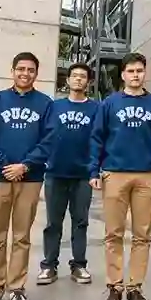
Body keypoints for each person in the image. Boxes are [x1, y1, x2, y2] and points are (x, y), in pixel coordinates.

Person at [89, 52, 151, 300]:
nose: (136, 75)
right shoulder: (110, 104)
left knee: (142, 235)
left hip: (148, 175)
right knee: (113, 233)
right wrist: (94, 170)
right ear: (123, 75)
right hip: (115, 173)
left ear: (144, 73)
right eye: (131, 71)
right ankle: (115, 287)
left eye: (139, 71)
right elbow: (96, 138)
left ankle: (135, 287)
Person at [0, 52, 53, 300]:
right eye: (21, 69)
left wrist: (25, 165)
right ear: (12, 71)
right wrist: (4, 165)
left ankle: (17, 289)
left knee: (21, 236)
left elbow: (50, 140)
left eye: (31, 70)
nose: (25, 73)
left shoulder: (45, 104)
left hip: (30, 177)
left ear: (36, 73)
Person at [38, 63, 99, 286]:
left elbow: (98, 140)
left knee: (80, 222)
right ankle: (49, 266)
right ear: (67, 80)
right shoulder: (54, 107)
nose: (78, 80)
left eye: (83, 76)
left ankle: (79, 265)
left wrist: (95, 169)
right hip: (55, 172)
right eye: (74, 76)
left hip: (83, 175)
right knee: (53, 223)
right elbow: (44, 136)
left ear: (88, 82)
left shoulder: (96, 109)